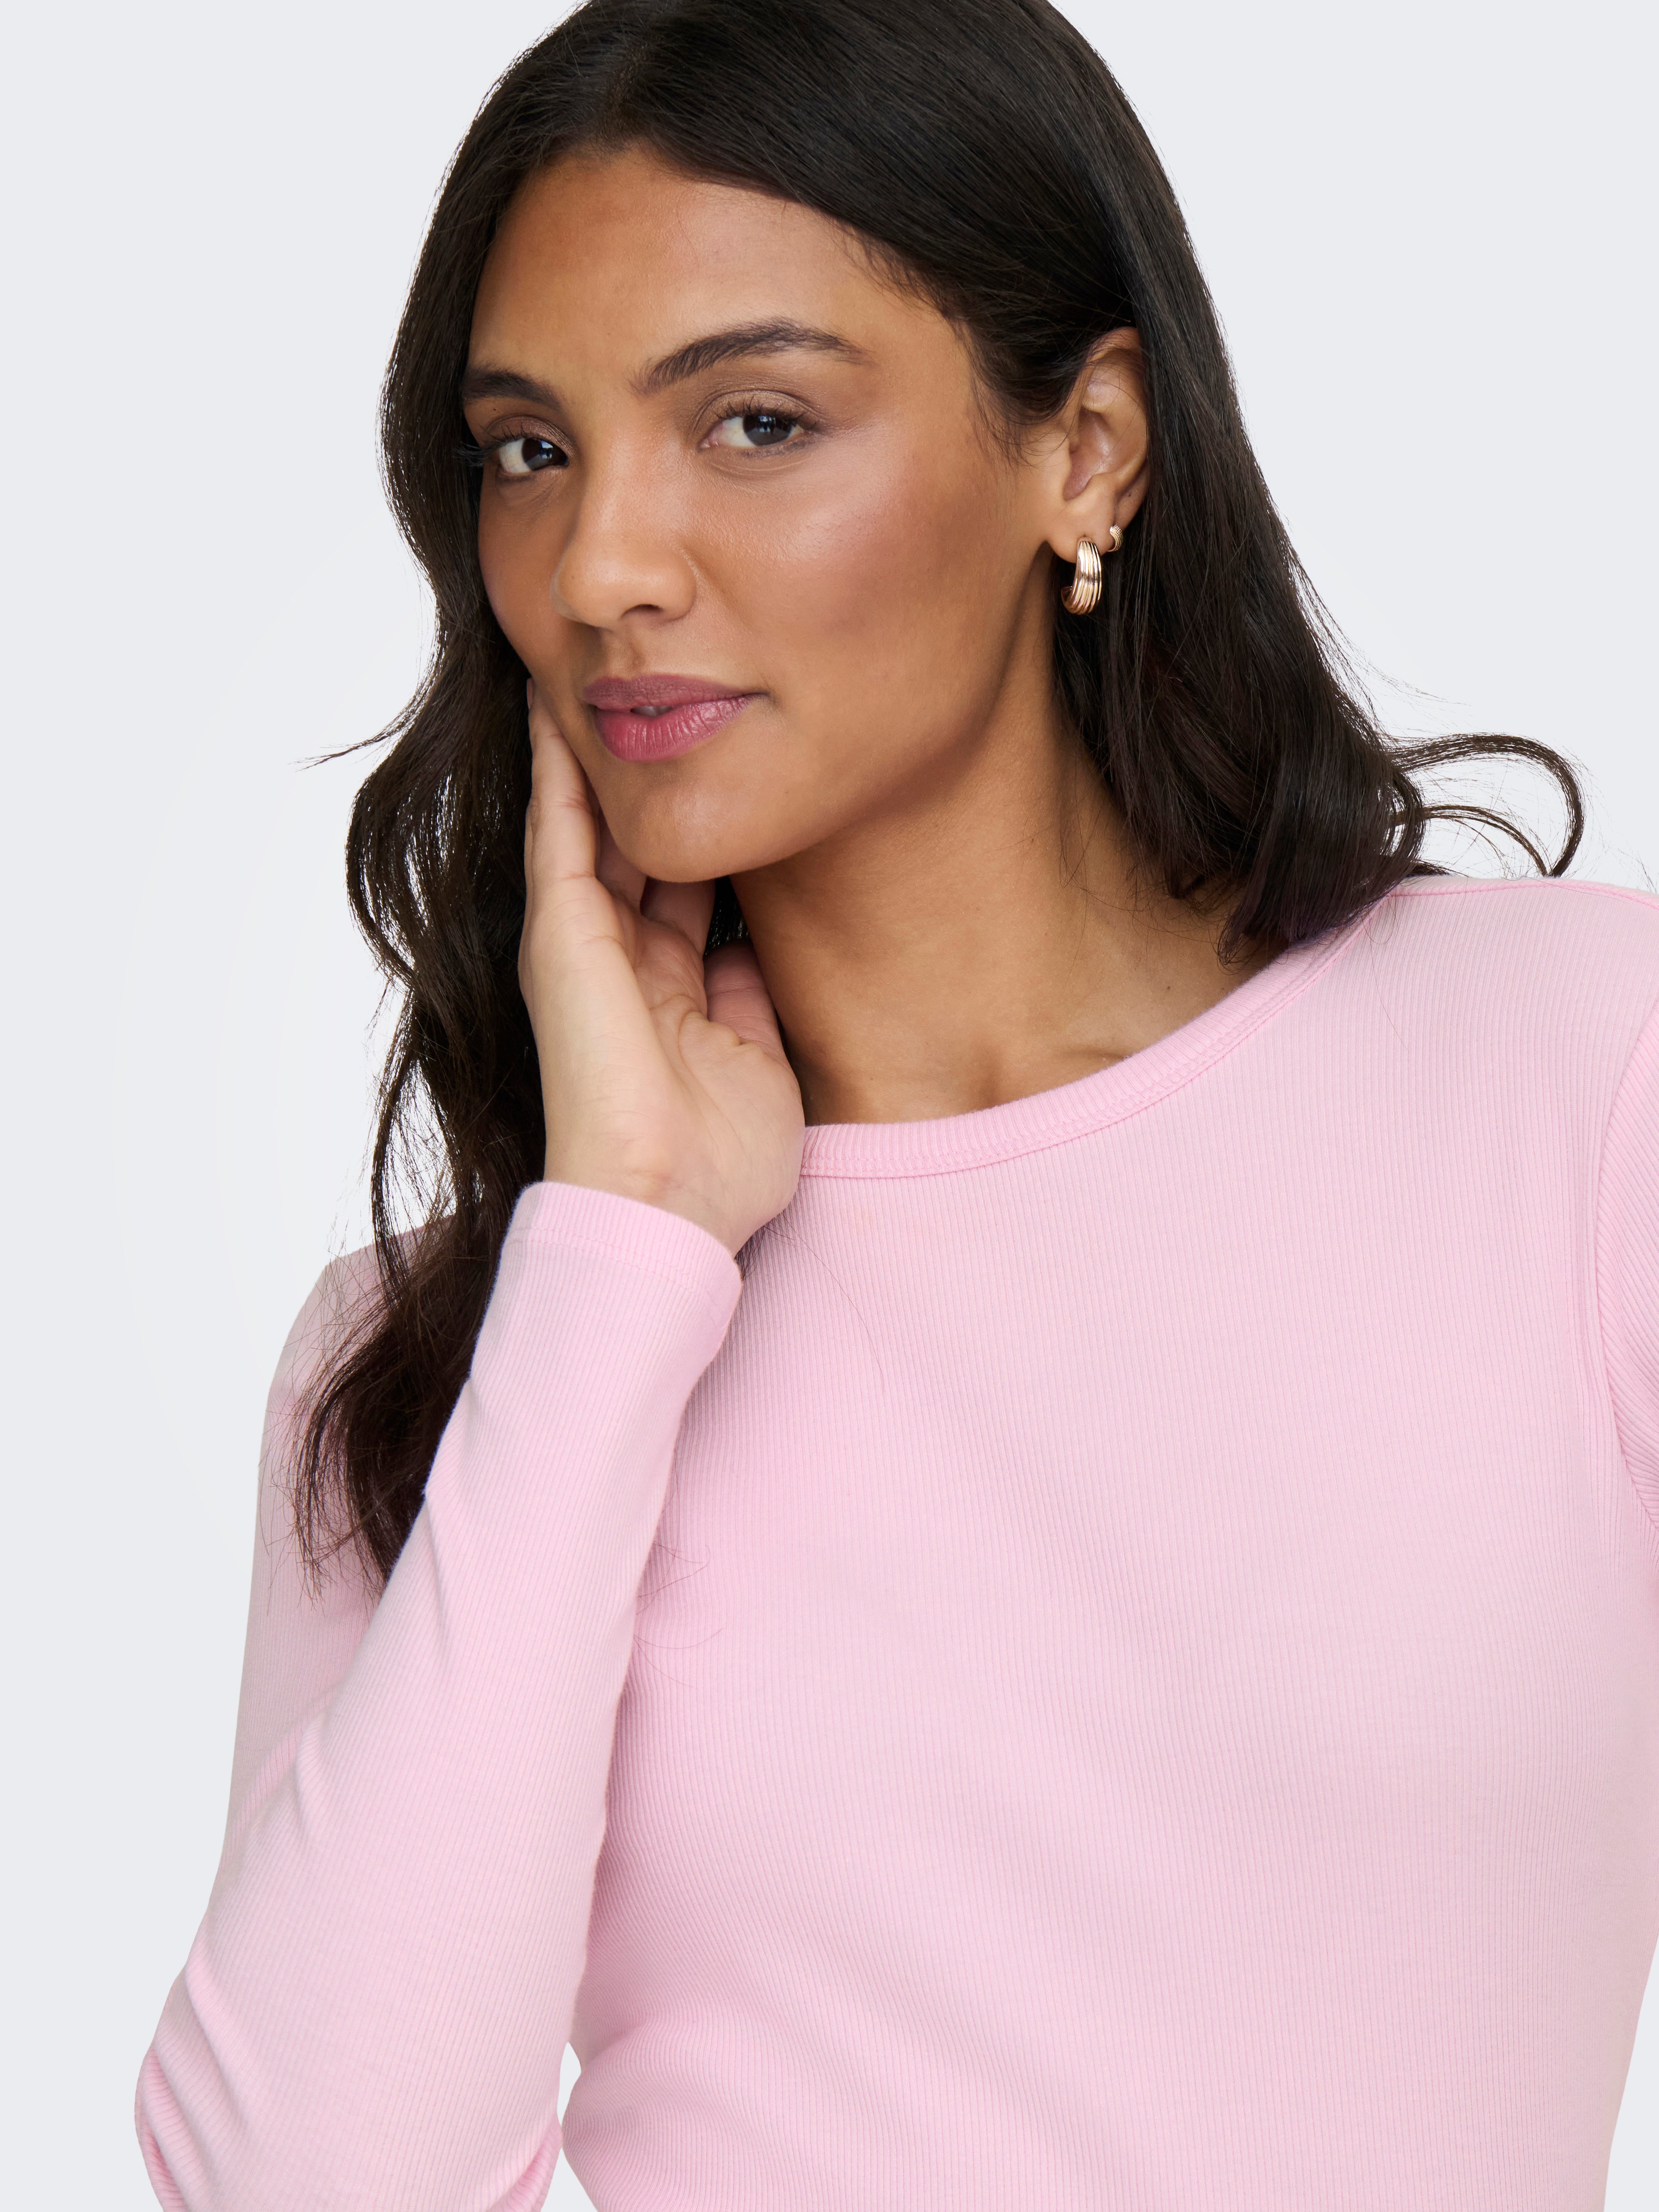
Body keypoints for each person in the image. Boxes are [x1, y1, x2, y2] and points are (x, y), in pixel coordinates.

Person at [134, 2, 1659, 2206]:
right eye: (529, 450)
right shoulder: (450, 1353)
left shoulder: (1584, 1078)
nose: (602, 566)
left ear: (1089, 450)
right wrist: (622, 1251)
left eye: (754, 421)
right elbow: (310, 2187)